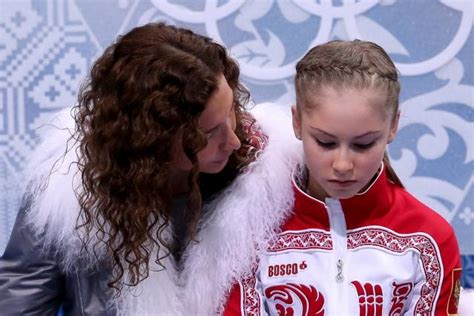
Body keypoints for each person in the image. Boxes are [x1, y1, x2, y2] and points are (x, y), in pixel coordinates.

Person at [0, 22, 268, 314]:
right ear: (151, 140)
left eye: (230, 112)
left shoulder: (264, 175)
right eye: (207, 133)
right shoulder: (64, 189)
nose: (232, 141)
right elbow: (20, 299)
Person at [179, 40, 462, 315]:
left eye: (363, 144)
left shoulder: (429, 239)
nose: (342, 164)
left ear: (393, 126)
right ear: (297, 122)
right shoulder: (247, 233)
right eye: (325, 143)